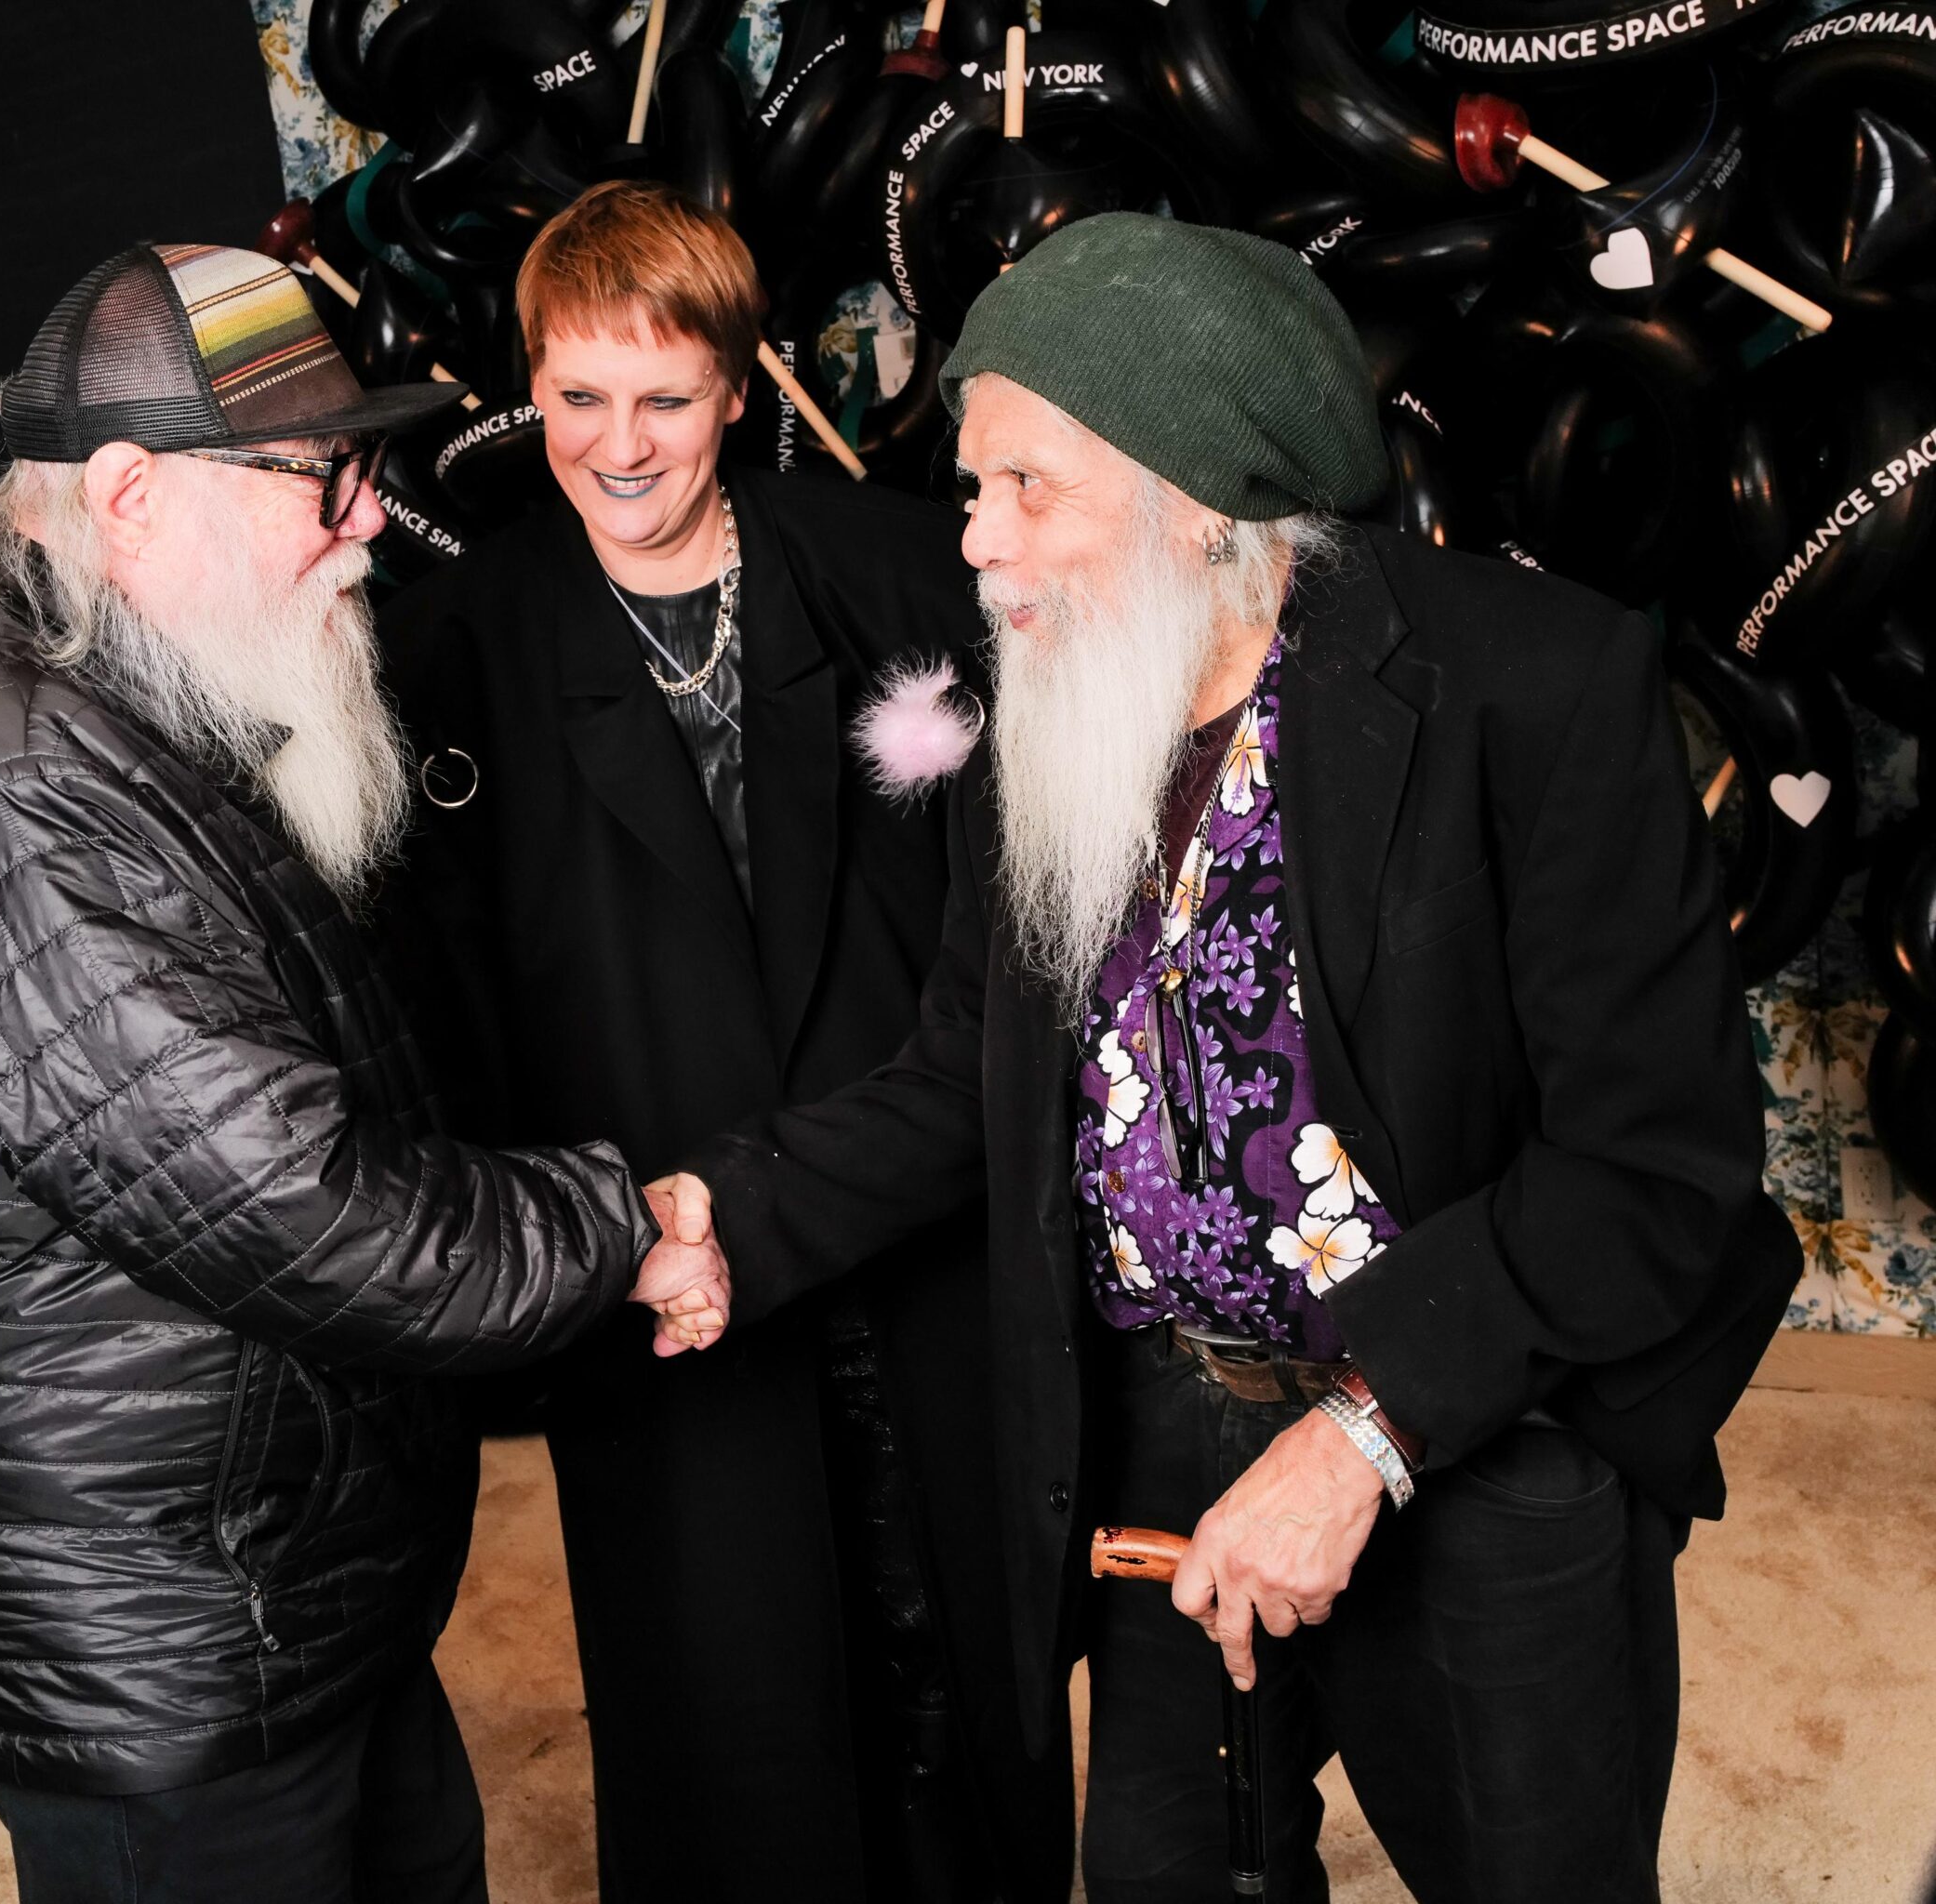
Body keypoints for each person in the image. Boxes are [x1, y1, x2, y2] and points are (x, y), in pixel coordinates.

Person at [653, 214, 1801, 1903]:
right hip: (1165, 1426)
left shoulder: (1535, 692)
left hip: (1469, 1425)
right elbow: (967, 1067)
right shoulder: (1049, 701)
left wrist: (1365, 1442)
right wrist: (724, 1214)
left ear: (1203, 498)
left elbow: (1654, 1167)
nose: (978, 547)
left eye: (1027, 489)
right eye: (974, 489)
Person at [0, 242, 726, 1904]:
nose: (367, 518)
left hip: (280, 1600)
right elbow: (300, 1207)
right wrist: (629, 1222)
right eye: (319, 475)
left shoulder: (151, 718)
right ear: (129, 497)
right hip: (164, 1659)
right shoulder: (12, 800)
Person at [378, 182, 1068, 1904]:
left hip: (917, 1227)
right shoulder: (448, 661)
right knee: (728, 1717)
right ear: (529, 388)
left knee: (962, 1679)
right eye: (576, 398)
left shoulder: (918, 581)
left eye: (665, 399)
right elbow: (452, 1017)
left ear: (742, 387)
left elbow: (1007, 930)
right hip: (658, 1278)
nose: (619, 447)